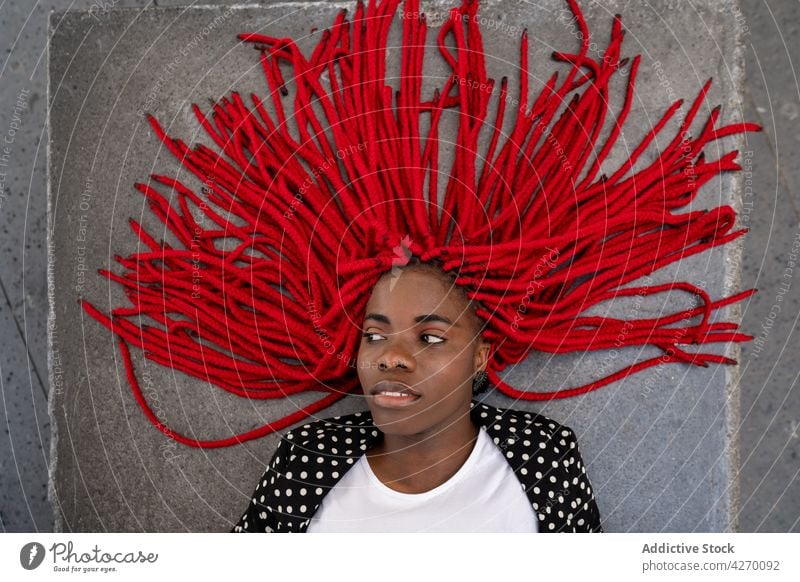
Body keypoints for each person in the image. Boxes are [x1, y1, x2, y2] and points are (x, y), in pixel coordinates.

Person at [231, 256, 603, 532]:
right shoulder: (305, 459)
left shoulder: (544, 453)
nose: (390, 357)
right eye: (374, 336)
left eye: (429, 338)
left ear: (478, 358)